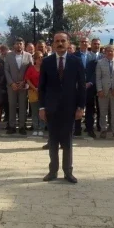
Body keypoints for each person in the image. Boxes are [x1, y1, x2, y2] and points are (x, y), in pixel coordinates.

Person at [39, 32, 84, 184]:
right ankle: (52, 171)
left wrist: (80, 107)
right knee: (53, 141)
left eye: (62, 41)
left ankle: (68, 172)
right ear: (52, 44)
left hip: (69, 108)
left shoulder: (76, 61)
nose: (59, 43)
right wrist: (41, 107)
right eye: (57, 41)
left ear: (68, 43)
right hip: (51, 108)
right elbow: (42, 87)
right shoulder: (46, 62)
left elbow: (82, 86)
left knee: (67, 142)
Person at [4, 37, 33, 135]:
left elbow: (30, 71)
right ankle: (11, 126)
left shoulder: (28, 56)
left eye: (21, 43)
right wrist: (11, 83)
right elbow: (6, 70)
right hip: (11, 86)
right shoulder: (8, 56)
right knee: (11, 105)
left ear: (24, 45)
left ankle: (22, 126)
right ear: (14, 45)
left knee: (23, 106)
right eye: (17, 43)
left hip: (23, 85)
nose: (19, 45)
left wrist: (24, 82)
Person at [95, 45, 114, 139]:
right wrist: (99, 90)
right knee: (103, 112)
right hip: (103, 91)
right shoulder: (100, 63)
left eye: (111, 51)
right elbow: (98, 78)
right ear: (105, 52)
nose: (109, 52)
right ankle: (103, 130)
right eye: (107, 51)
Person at [25, 51, 44, 136]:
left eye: (41, 57)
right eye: (38, 58)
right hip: (33, 92)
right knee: (35, 111)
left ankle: (41, 128)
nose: (40, 59)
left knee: (42, 110)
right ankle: (35, 127)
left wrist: (40, 88)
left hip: (43, 92)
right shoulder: (31, 68)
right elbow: (27, 79)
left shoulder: (45, 68)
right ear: (35, 59)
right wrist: (34, 88)